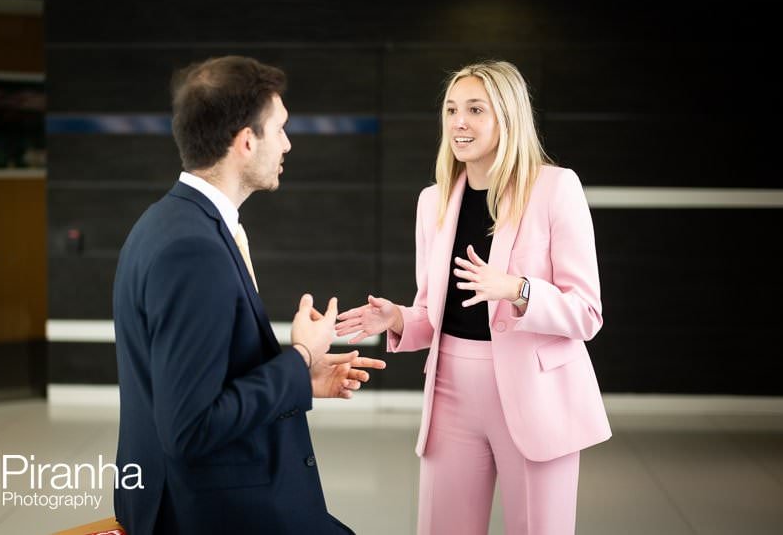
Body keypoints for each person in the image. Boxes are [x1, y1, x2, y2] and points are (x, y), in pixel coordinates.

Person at [112, 55, 386, 535]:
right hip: (207, 509)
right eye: (278, 129)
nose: (287, 143)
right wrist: (300, 356)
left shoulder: (168, 222)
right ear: (244, 141)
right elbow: (190, 428)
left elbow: (202, 382)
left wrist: (302, 379)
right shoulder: (192, 249)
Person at [336, 60, 611, 535]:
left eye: (475, 109)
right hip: (451, 395)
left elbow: (587, 314)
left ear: (507, 117)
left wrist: (518, 291)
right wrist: (397, 318)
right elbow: (430, 315)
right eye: (451, 109)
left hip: (535, 395)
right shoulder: (434, 201)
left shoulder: (555, 188)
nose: (459, 122)